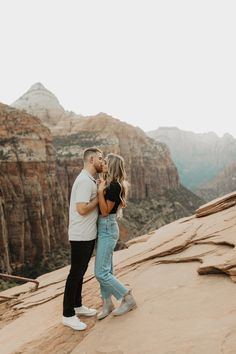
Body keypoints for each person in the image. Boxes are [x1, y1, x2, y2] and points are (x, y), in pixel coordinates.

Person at [62, 147, 103, 331]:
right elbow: (81, 209)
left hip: (86, 234)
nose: (102, 162)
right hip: (80, 236)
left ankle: (77, 305)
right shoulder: (85, 181)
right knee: (75, 274)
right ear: (91, 159)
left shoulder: (89, 179)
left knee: (80, 273)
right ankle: (68, 314)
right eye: (100, 158)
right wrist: (100, 196)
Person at [95, 153, 137, 320]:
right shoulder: (110, 184)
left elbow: (105, 212)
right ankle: (107, 303)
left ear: (110, 166)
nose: (102, 165)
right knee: (107, 270)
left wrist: (99, 191)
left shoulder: (115, 186)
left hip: (107, 227)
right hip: (103, 228)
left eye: (105, 163)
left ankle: (127, 298)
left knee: (100, 273)